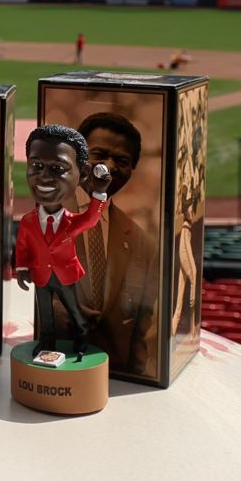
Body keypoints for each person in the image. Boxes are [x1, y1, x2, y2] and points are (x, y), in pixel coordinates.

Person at [70, 112, 161, 379]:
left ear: (132, 169)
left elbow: (140, 330)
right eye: (99, 154)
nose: (108, 167)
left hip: (115, 377)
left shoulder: (142, 244)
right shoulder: (46, 215)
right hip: (54, 366)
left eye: (121, 160)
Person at [14, 124, 112, 358]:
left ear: (83, 175)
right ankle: (46, 342)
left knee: (73, 310)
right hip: (40, 275)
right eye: (36, 166)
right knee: (44, 314)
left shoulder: (69, 221)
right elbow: (22, 247)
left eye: (58, 168)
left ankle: (81, 336)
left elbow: (90, 219)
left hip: (65, 275)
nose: (44, 176)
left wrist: (99, 193)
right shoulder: (29, 221)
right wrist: (21, 268)